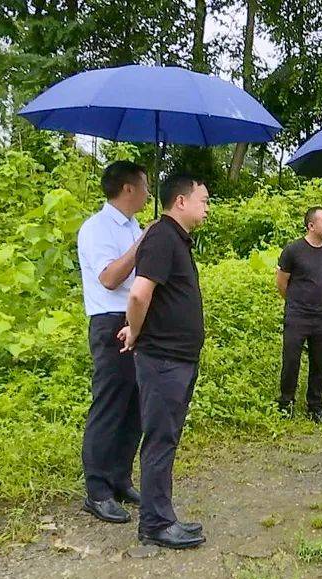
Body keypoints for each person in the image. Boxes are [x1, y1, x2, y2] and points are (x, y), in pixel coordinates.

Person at [121, 173, 209, 549]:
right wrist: (135, 330)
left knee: (167, 436)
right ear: (181, 201)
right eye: (203, 200)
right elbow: (140, 295)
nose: (207, 207)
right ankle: (155, 524)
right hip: (163, 360)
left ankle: (162, 516)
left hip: (178, 358)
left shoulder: (175, 239)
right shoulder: (161, 237)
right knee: (159, 438)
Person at [76, 160, 149, 525]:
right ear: (128, 189)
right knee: (109, 403)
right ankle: (98, 489)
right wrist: (142, 244)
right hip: (110, 322)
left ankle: (120, 478)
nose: (149, 193)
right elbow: (109, 277)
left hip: (137, 320)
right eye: (145, 186)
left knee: (135, 404)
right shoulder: (97, 228)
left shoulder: (134, 225)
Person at [275, 207, 322, 423]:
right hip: (297, 315)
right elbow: (282, 281)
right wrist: (295, 301)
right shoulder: (293, 250)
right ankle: (286, 401)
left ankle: (316, 405)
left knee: (321, 362)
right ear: (311, 226)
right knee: (291, 360)